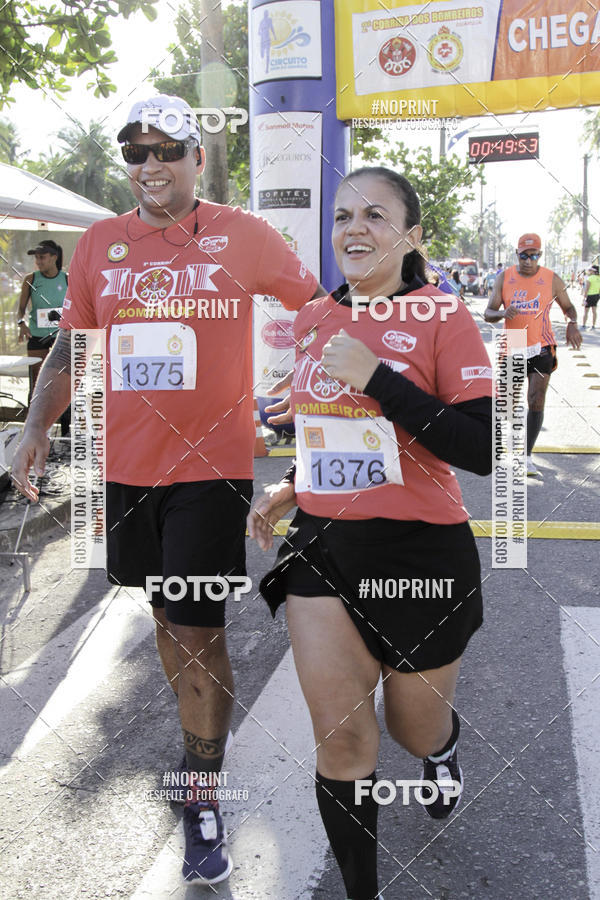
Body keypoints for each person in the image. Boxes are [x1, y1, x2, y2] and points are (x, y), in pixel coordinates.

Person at [11, 93, 324, 886]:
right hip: (126, 472)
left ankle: (203, 789)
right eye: (136, 152)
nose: (150, 164)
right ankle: (200, 752)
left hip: (209, 471)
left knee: (196, 626)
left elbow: (318, 310)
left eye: (167, 150)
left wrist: (307, 390)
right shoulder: (100, 243)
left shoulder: (243, 234)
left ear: (197, 158)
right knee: (166, 618)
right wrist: (37, 425)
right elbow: (73, 346)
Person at [248, 166, 493, 900]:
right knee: (345, 738)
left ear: (411, 237)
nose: (354, 228)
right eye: (342, 215)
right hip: (325, 545)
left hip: (423, 552)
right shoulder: (315, 318)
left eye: (375, 215)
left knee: (414, 729)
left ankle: (440, 750)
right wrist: (293, 484)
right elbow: (328, 431)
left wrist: (380, 377)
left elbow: (484, 447)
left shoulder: (443, 315)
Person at [485, 233, 581, 477]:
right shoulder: (504, 277)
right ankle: (506, 444)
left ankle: (526, 456)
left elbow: (569, 307)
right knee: (507, 405)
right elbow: (488, 312)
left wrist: (572, 323)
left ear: (540, 255)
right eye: (524, 256)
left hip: (542, 346)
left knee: (536, 399)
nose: (529, 261)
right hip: (514, 345)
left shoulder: (551, 279)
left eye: (534, 256)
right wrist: (502, 313)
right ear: (517, 254)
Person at [16, 239, 70, 435]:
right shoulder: (31, 279)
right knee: (36, 382)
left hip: (61, 337)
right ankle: (33, 430)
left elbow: (77, 306)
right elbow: (21, 310)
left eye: (42, 257)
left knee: (63, 381)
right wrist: (21, 324)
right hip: (37, 336)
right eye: (36, 258)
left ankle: (65, 429)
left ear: (54, 257)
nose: (38, 261)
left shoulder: (67, 279)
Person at [581, 264, 599, 330]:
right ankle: (593, 325)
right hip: (596, 295)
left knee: (586, 311)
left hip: (590, 295)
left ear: (593, 271)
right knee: (594, 311)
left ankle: (583, 325)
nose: (589, 271)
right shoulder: (599, 278)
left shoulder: (590, 278)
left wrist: (584, 297)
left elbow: (587, 289)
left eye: (590, 270)